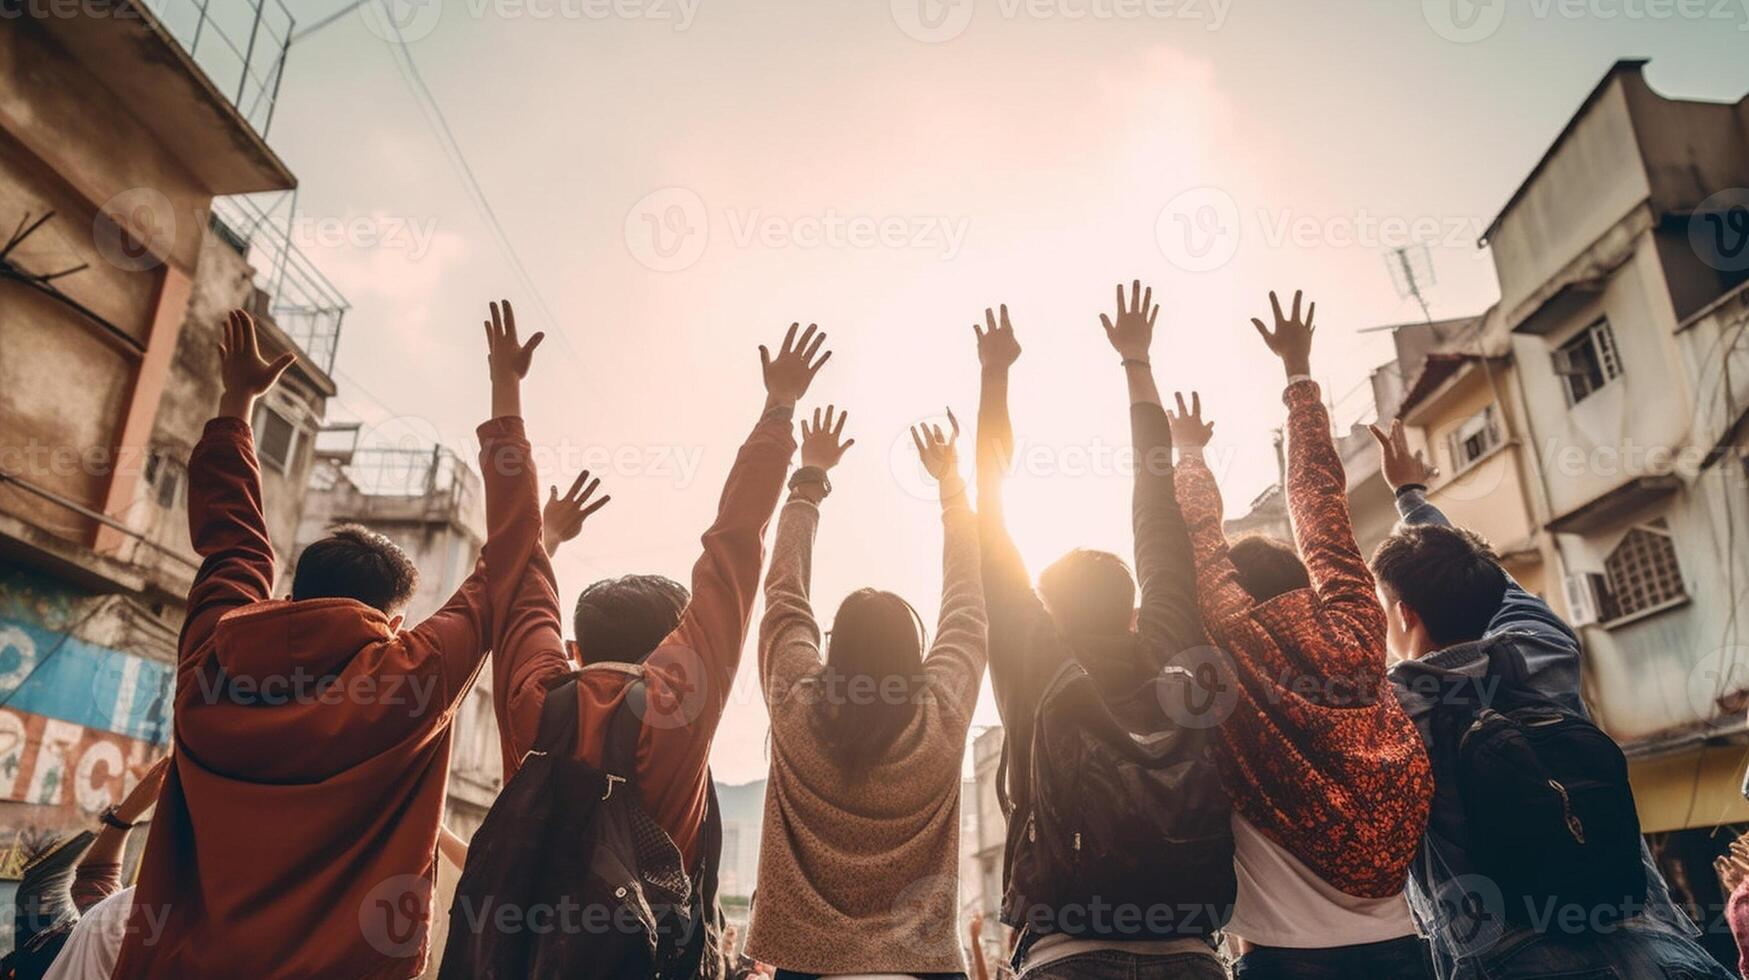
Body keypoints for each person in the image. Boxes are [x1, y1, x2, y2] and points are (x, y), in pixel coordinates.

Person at [110, 304, 551, 978]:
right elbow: (511, 552)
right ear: (391, 619)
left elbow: (233, 547)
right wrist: (505, 392)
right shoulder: (410, 679)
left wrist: (236, 402)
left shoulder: (212, 662)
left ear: (291, 594)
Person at [483, 320, 827, 932]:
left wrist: (506, 390)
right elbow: (735, 543)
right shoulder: (678, 700)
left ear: (574, 648)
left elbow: (515, 565)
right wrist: (780, 408)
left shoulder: (532, 697)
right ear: (672, 649)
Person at [1370, 419, 1731, 980]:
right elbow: (1499, 584)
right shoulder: (1544, 653)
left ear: (1403, 614)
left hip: (1506, 960)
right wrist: (1411, 496)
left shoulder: (1395, 711)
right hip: (1652, 944)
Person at [1169, 291, 1435, 979]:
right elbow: (1322, 510)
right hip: (1404, 949)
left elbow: (1198, 541)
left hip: (1282, 959)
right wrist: (1297, 373)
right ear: (1303, 580)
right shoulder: (1354, 620)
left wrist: (1187, 453)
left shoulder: (1232, 640)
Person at [975, 283, 1236, 979]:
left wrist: (995, 373)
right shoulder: (1173, 656)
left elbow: (990, 515)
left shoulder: (1034, 663)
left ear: (1049, 615)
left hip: (1067, 953)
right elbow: (1156, 510)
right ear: (1132, 610)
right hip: (1189, 952)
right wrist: (1135, 360)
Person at [743, 406, 987, 979]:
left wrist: (810, 481)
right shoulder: (942, 712)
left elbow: (783, 594)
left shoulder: (797, 702)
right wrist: (952, 490)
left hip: (806, 964)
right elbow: (968, 606)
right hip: (924, 966)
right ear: (914, 653)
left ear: (832, 649)